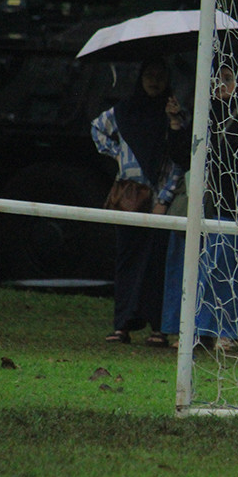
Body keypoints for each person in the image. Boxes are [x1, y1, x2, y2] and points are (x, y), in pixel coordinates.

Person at [161, 62, 238, 352]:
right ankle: (192, 329)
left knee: (226, 269)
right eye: (217, 78)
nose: (221, 84)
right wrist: (177, 123)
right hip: (199, 204)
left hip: (233, 205)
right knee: (191, 268)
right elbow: (182, 156)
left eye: (228, 78)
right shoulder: (201, 114)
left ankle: (225, 330)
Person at [91, 57, 184, 346]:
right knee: (127, 259)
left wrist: (165, 199)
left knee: (158, 262)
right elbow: (97, 129)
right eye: (149, 75)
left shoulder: (174, 115)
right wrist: (118, 154)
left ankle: (158, 328)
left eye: (160, 75)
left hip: (158, 199)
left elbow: (180, 160)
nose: (154, 81)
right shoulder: (124, 111)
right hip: (129, 196)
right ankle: (123, 325)